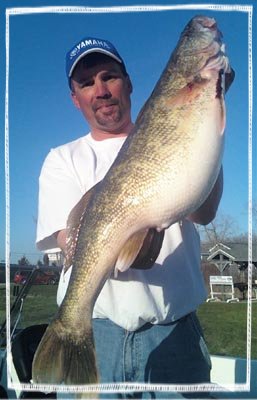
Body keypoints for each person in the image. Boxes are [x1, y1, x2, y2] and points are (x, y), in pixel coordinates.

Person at [36, 36, 223, 399]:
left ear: (129, 83)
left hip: (176, 335)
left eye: (110, 76)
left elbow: (205, 210)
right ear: (76, 99)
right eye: (87, 83)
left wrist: (210, 112)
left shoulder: (179, 134)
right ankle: (69, 329)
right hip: (99, 332)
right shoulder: (63, 159)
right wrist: (129, 241)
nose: (101, 90)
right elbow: (68, 240)